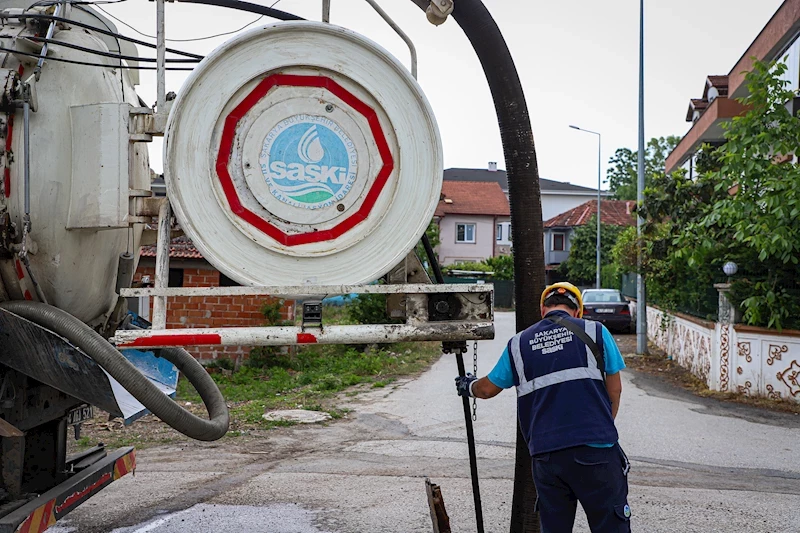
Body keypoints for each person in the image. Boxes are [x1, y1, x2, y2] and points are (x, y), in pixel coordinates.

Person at [455, 282, 631, 533]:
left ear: (542, 310)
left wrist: (468, 385)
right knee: (610, 526)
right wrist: (601, 428)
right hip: (596, 451)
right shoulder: (596, 332)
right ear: (578, 311)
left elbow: (486, 389)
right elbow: (615, 391)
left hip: (548, 455)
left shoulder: (519, 343)